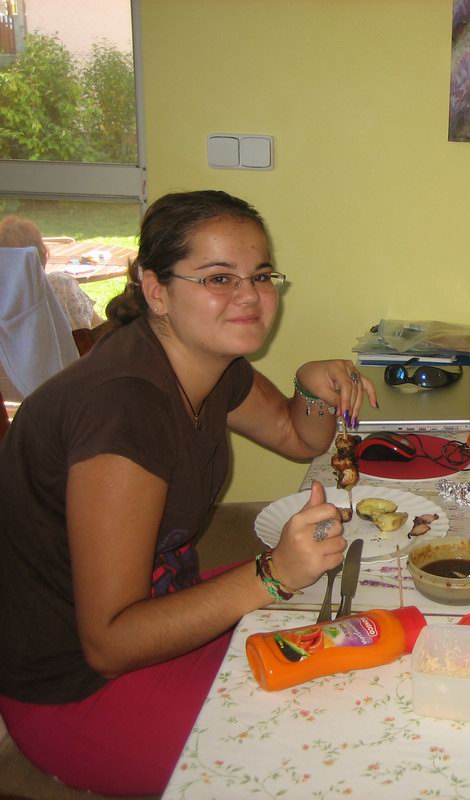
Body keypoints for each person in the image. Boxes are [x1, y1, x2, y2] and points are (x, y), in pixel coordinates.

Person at [0, 190, 378, 795]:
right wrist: (273, 574)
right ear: (156, 290)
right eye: (219, 278)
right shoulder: (123, 410)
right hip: (79, 689)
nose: (250, 296)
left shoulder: (207, 362)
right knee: (331, 741)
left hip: (166, 602)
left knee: (366, 625)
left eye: (261, 276)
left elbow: (296, 435)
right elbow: (109, 643)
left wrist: (311, 385)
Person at [0, 214, 103, 330]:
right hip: (71, 342)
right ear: (41, 252)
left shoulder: (5, 297)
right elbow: (98, 327)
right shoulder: (59, 283)